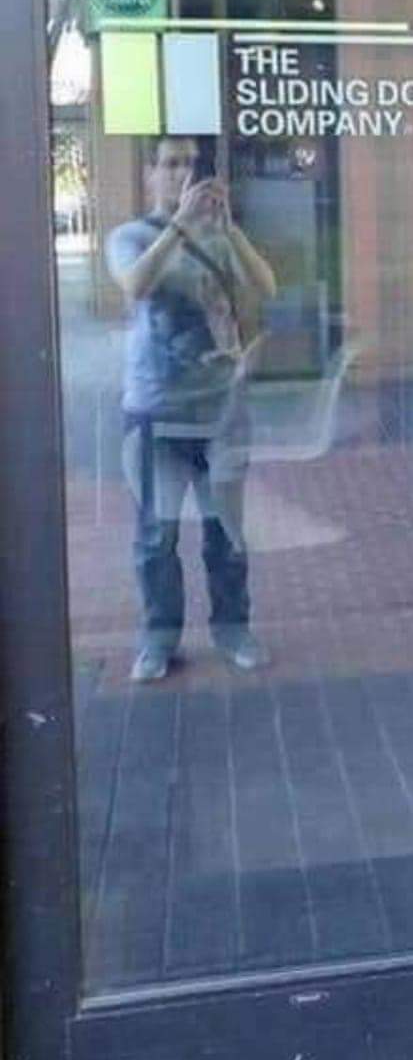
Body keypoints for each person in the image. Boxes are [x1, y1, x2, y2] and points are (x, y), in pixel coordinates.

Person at [107, 136, 277, 682]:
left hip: (221, 412)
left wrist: (230, 231)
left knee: (226, 533)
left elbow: (266, 287)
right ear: (150, 174)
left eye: (192, 165)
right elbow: (136, 285)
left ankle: (233, 629)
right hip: (155, 413)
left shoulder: (219, 238)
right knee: (156, 536)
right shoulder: (130, 236)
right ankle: (159, 639)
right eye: (171, 163)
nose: (183, 173)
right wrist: (180, 224)